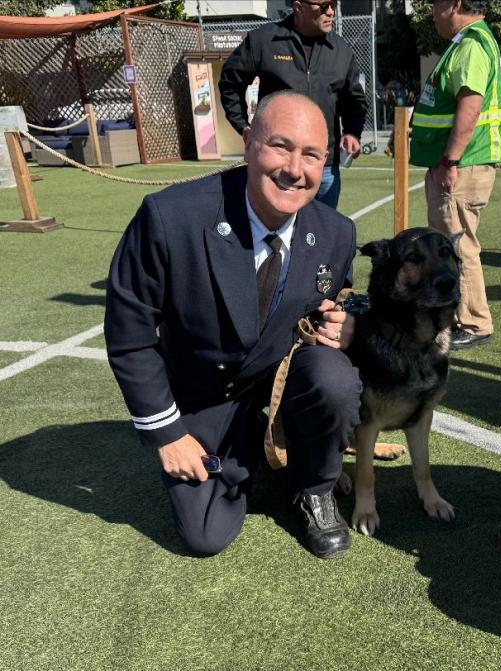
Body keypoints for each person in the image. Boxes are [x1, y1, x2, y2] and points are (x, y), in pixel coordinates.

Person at [104, 92, 362, 560]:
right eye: (280, 147)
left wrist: (347, 326)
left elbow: (340, 299)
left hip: (278, 382)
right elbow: (130, 332)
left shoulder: (337, 232)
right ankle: (249, 450)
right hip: (204, 394)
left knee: (335, 378)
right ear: (247, 143)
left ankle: (315, 486)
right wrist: (166, 434)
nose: (295, 169)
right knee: (205, 536)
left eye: (311, 155)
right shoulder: (170, 218)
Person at [409, 0, 501, 350]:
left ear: (455, 4)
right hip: (461, 164)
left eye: (434, 5)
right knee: (454, 243)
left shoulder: (471, 45)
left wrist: (450, 161)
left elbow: (470, 104)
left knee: (458, 246)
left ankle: (475, 323)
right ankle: (463, 315)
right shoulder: (473, 42)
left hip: (461, 167)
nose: (431, 13)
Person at [218, 0, 368, 210]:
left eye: (333, 4)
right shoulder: (264, 40)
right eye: (324, 6)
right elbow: (230, 83)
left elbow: (355, 100)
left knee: (319, 236)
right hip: (275, 164)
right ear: (299, 7)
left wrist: (353, 132)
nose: (331, 12)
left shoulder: (341, 50)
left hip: (323, 167)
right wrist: (245, 126)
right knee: (271, 233)